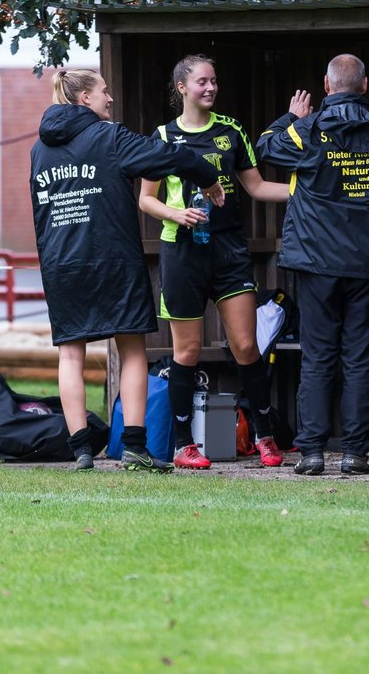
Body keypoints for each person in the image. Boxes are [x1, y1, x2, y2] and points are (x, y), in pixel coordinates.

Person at [31, 69, 225, 472]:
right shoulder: (110, 137)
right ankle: (135, 448)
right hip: (112, 259)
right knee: (132, 347)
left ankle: (81, 449)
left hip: (61, 264)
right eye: (104, 91)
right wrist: (206, 175)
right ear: (85, 98)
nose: (110, 99)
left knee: (71, 353)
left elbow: (40, 213)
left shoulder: (39, 149)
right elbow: (167, 155)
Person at [257, 54, 369, 475]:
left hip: (316, 262)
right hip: (368, 261)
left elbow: (265, 146)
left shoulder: (305, 131)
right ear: (365, 85)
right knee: (360, 357)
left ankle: (310, 453)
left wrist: (290, 116)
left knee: (318, 356)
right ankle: (355, 453)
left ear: (326, 88)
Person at [138, 55, 290, 470]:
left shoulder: (231, 130)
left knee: (245, 345)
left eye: (214, 81)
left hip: (228, 249)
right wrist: (176, 214)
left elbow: (256, 187)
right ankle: (185, 445)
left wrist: (306, 190)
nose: (210, 88)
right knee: (185, 351)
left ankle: (266, 436)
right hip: (181, 251)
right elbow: (145, 198)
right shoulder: (163, 136)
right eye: (202, 82)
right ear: (182, 88)